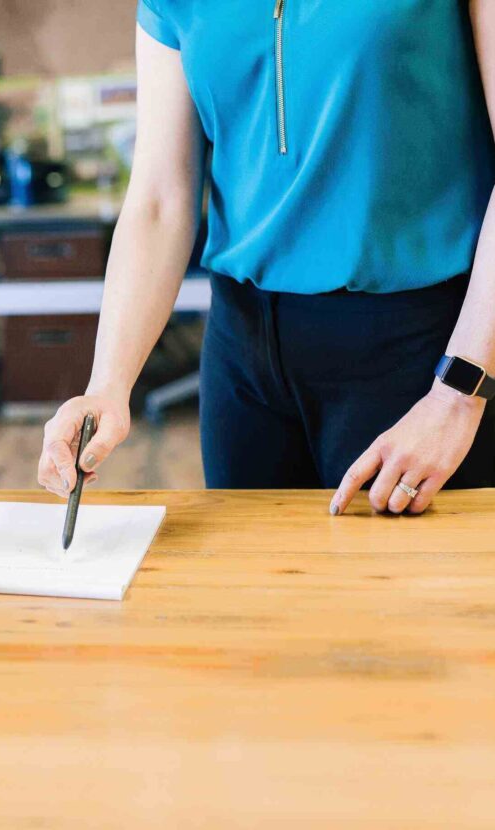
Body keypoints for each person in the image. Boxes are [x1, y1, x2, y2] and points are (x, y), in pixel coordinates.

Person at [38, 1, 495, 515]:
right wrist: (107, 387)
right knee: (252, 591)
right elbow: (159, 200)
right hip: (243, 358)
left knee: (410, 593)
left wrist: (459, 395)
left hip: (420, 352)